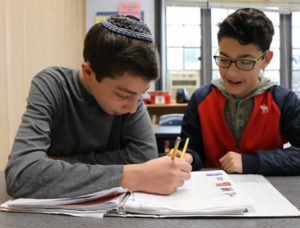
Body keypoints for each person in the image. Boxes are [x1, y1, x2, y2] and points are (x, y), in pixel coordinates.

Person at [5, 15, 191, 198]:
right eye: (123, 95)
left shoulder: (130, 99)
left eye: (141, 95)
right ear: (88, 72)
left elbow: (144, 158)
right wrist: (133, 175)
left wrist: (67, 162)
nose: (133, 108)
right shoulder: (51, 86)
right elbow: (22, 175)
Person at [178, 8, 300, 175]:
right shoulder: (201, 99)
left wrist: (251, 162)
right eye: (224, 59)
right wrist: (188, 157)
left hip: (268, 192)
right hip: (212, 192)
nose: (231, 72)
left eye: (245, 62)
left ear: (266, 60)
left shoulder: (283, 101)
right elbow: (191, 149)